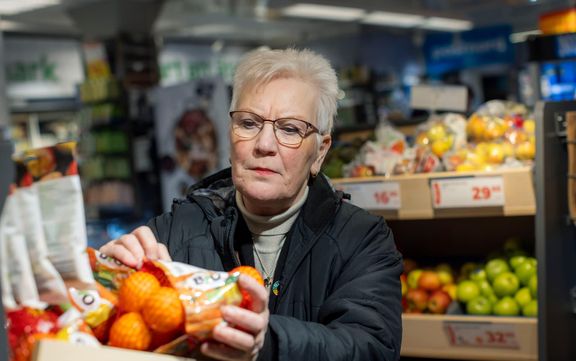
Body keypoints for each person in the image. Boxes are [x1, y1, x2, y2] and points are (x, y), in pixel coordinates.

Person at [100, 48, 403, 361]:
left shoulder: (363, 240)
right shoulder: (174, 231)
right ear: (230, 135)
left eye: (289, 129)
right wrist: (107, 287)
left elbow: (372, 347)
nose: (264, 144)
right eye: (249, 123)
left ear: (320, 152)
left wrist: (266, 342)